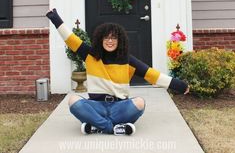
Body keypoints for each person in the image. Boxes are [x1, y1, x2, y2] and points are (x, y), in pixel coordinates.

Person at [46, 8, 189, 136]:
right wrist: (54, 17)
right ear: (100, 39)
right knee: (73, 101)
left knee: (139, 103)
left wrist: (180, 86)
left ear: (120, 41)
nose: (110, 41)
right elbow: (71, 40)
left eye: (114, 38)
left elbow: (153, 75)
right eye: (106, 38)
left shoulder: (127, 60)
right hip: (97, 106)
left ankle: (97, 126)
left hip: (120, 107)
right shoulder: (90, 55)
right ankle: (112, 128)